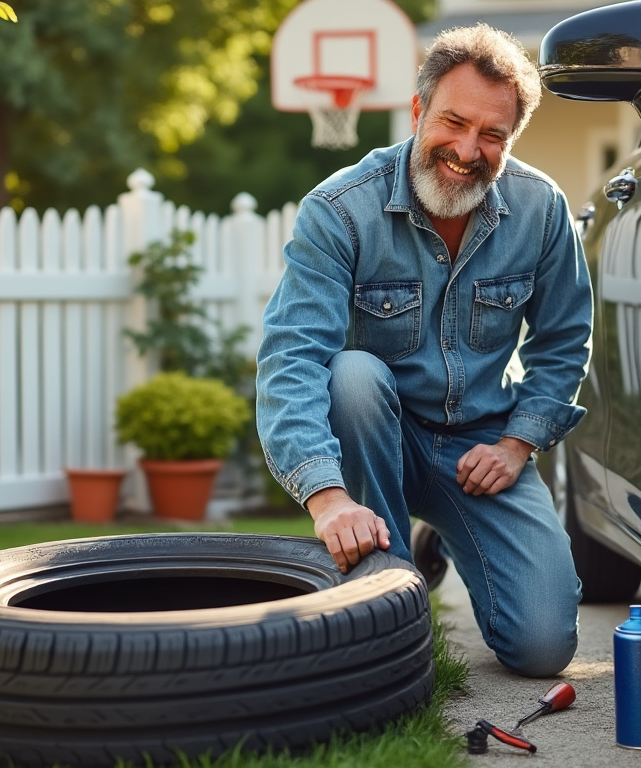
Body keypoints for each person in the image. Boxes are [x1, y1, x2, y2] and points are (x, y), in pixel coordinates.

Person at [255, 24, 592, 678]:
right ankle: (390, 594)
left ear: (511, 139)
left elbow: (564, 339)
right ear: (417, 112)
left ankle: (437, 531)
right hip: (377, 432)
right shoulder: (339, 210)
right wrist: (328, 499)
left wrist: (517, 444)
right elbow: (291, 358)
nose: (468, 150)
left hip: (480, 447)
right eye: (454, 122)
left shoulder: (541, 210)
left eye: (492, 134)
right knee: (352, 376)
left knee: (545, 648)